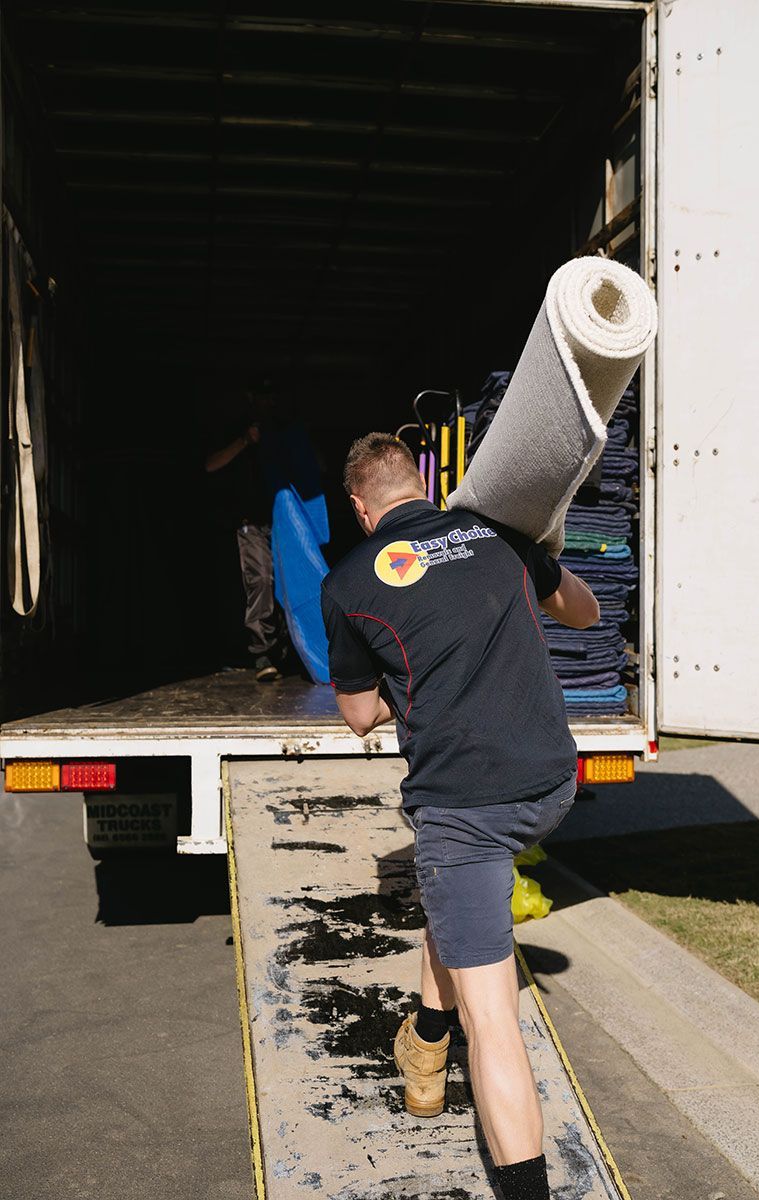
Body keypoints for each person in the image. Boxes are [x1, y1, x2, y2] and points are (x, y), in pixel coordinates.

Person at [320, 433, 599, 1200]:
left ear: (359, 506)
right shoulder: (500, 537)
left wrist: (397, 673)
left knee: (496, 1017)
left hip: (465, 811)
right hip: (550, 786)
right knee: (456, 901)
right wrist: (539, 558)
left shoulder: (348, 583)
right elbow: (585, 610)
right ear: (422, 481)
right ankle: (426, 1047)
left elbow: (356, 716)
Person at [204, 381, 284, 681]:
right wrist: (245, 442)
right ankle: (261, 651)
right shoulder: (235, 431)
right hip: (249, 521)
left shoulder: (281, 430)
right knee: (261, 580)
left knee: (286, 584)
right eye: (264, 396)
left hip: (282, 522)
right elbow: (211, 465)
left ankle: (286, 649)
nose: (269, 403)